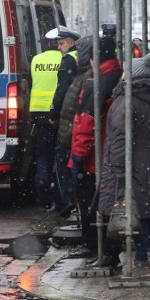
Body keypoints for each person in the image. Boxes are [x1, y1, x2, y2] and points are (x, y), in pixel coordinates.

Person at [99, 52, 150, 278]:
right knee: (143, 213)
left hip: (132, 165)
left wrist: (118, 167)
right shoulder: (148, 100)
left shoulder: (126, 102)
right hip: (147, 162)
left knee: (135, 214)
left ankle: (143, 260)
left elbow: (119, 138)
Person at [66, 36, 122, 267]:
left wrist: (77, 156)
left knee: (92, 201)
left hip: (96, 155)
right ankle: (105, 248)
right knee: (109, 201)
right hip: (110, 150)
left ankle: (95, 246)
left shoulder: (97, 81)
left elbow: (85, 121)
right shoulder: (116, 75)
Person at [54, 34, 93, 217]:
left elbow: (80, 111)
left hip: (73, 134)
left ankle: (69, 202)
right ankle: (70, 202)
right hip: (71, 132)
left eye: (62, 43)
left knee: (68, 170)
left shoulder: (84, 78)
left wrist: (69, 131)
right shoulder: (81, 75)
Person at [29, 29, 66, 210]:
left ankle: (42, 195)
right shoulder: (64, 60)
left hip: (38, 114)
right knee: (60, 156)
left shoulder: (36, 59)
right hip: (57, 113)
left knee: (43, 156)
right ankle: (60, 199)